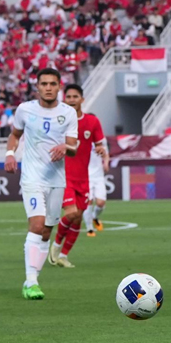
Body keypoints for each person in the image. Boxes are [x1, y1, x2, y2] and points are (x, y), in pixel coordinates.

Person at [5, 68, 78, 299]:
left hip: (56, 180)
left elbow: (74, 147)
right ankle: (30, 281)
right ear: (37, 86)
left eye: (52, 84)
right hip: (32, 178)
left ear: (59, 87)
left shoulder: (67, 113)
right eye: (44, 83)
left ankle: (34, 275)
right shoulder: (25, 110)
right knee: (36, 225)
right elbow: (15, 134)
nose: (48, 87)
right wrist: (9, 153)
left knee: (47, 230)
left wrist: (65, 148)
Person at [50, 85, 106, 267]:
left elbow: (100, 144)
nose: (72, 99)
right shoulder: (59, 122)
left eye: (76, 96)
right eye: (69, 96)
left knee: (78, 217)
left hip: (84, 177)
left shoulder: (92, 122)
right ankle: (56, 246)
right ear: (65, 100)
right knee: (72, 213)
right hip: (64, 176)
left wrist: (100, 149)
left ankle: (64, 256)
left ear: (82, 99)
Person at [84, 124, 110, 237]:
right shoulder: (82, 137)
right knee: (88, 201)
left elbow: (106, 154)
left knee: (101, 203)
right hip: (85, 175)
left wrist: (106, 163)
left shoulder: (101, 140)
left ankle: (94, 216)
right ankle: (89, 228)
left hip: (98, 175)